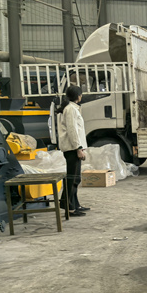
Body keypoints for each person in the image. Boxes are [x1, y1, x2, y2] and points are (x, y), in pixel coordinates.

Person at [58, 85, 89, 217]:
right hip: (72, 148)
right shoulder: (71, 109)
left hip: (73, 147)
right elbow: (72, 130)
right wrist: (78, 148)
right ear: (78, 96)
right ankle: (69, 206)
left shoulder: (72, 108)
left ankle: (75, 204)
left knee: (75, 178)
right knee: (72, 178)